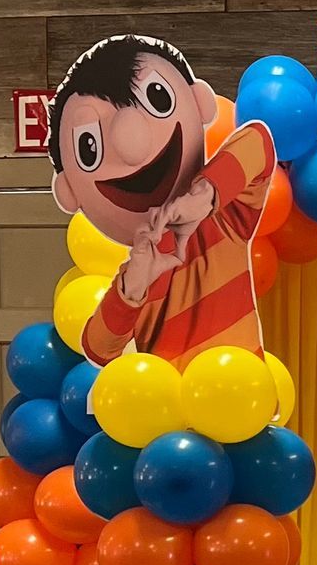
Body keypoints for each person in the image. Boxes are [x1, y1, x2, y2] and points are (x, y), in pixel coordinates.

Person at [47, 33, 275, 364]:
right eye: (89, 147)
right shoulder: (138, 270)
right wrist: (135, 283)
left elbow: (258, 142)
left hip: (240, 404)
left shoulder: (224, 218)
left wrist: (203, 196)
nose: (131, 142)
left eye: (157, 97)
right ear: (70, 192)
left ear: (198, 102)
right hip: (170, 411)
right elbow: (98, 346)